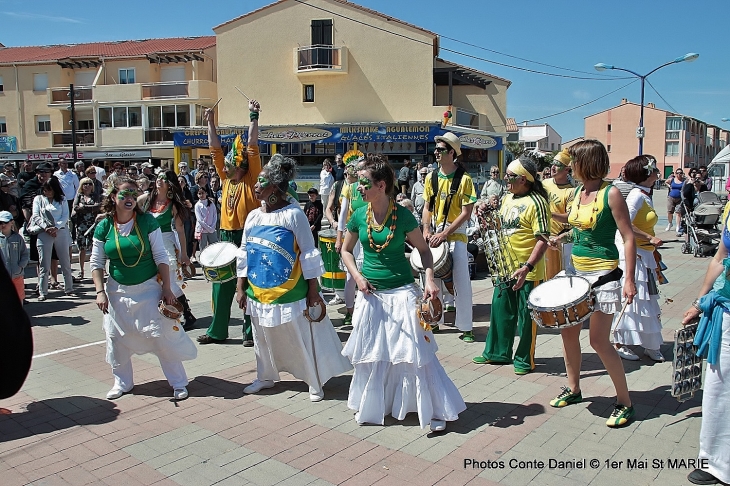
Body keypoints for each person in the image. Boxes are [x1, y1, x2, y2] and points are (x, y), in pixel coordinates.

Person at [341, 154, 465, 431]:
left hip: (402, 293)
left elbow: (424, 251)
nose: (359, 188)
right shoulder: (359, 214)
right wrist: (358, 277)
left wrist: (430, 280)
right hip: (370, 294)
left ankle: (433, 410)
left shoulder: (404, 215)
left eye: (364, 183)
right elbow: (345, 250)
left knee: (415, 354)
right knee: (374, 353)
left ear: (381, 185)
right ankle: (378, 405)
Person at [235, 155, 352, 401]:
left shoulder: (293, 215)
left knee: (299, 337)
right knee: (262, 337)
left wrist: (313, 291)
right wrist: (240, 287)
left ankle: (313, 381)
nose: (256, 186)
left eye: (261, 181)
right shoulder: (253, 216)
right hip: (258, 292)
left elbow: (309, 254)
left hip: (291, 293)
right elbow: (245, 252)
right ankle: (265, 376)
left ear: (276, 187)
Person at [550, 139, 637, 428]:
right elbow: (576, 226)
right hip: (576, 272)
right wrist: (559, 234)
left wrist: (629, 279)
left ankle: (624, 401)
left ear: (585, 163)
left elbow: (628, 237)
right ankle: (574, 389)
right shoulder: (577, 192)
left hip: (604, 275)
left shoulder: (610, 194)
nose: (568, 167)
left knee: (598, 341)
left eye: (573, 161)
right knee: (568, 333)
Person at [91, 178, 197, 401]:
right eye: (124, 194)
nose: (129, 198)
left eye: (132, 194)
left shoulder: (147, 221)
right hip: (117, 291)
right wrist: (100, 291)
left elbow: (161, 256)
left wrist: (167, 288)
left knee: (161, 335)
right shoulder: (104, 226)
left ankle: (178, 383)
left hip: (149, 287)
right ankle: (122, 382)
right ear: (113, 197)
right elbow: (96, 262)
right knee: (116, 337)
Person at [473, 159, 550, 374]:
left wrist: (527, 266)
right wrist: (486, 218)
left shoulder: (538, 202)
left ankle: (524, 359)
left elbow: (543, 238)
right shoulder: (507, 198)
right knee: (500, 312)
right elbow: (501, 226)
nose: (505, 179)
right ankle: (497, 353)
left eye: (510, 176)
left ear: (523, 179)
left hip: (528, 270)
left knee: (527, 318)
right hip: (504, 267)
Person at [198, 100, 261, 346]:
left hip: (248, 236)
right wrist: (210, 122)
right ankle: (217, 331)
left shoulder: (251, 175)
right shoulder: (225, 178)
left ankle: (249, 332)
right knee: (221, 284)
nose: (222, 164)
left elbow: (253, 144)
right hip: (226, 235)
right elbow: (214, 149)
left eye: (228, 161)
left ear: (240, 163)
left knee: (249, 285)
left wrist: (253, 116)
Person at [681, 216, 730, 486]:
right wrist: (700, 302)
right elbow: (720, 258)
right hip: (727, 314)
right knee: (718, 388)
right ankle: (715, 462)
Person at [422, 132, 476, 342]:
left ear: (452, 152)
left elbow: (466, 212)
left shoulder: (465, 179)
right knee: (430, 278)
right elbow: (428, 207)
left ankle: (466, 326)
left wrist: (445, 233)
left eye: (441, 149)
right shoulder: (431, 177)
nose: (436, 153)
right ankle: (434, 319)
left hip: (456, 236)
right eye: (435, 149)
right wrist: (426, 230)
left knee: (461, 280)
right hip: (435, 233)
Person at [611, 155, 664, 362]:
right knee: (632, 297)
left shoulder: (645, 194)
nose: (658, 173)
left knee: (647, 299)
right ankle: (619, 341)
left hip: (646, 254)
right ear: (646, 173)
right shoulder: (635, 196)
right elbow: (625, 225)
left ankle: (650, 343)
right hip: (633, 253)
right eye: (655, 170)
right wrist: (650, 237)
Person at [138, 171, 197, 331]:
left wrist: (184, 254)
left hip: (165, 243)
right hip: (149, 243)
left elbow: (180, 230)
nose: (160, 181)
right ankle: (171, 313)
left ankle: (186, 314)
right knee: (156, 281)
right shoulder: (146, 199)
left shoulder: (173, 205)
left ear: (170, 185)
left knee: (167, 281)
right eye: (159, 178)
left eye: (164, 179)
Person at [32, 176, 75, 300]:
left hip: (60, 231)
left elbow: (65, 216)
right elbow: (36, 215)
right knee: (44, 263)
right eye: (45, 190)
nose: (47, 192)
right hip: (44, 232)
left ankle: (69, 288)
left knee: (65, 261)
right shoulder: (38, 199)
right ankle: (42, 291)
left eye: (50, 190)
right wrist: (46, 227)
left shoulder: (62, 199)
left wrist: (56, 227)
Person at [335, 162, 366, 325]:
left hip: (368, 235)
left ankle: (362, 310)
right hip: (354, 235)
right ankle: (350, 311)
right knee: (351, 275)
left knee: (365, 273)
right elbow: (343, 215)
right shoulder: (350, 188)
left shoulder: (371, 186)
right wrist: (339, 238)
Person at [542, 149, 576, 279]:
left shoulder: (571, 191)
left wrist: (551, 214)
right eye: (553, 163)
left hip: (557, 241)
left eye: (558, 165)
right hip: (540, 236)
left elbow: (570, 218)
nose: (553, 167)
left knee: (556, 278)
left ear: (566, 169)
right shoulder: (544, 183)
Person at [72, 177, 101, 281]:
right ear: (81, 186)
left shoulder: (95, 195)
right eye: (85, 184)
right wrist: (90, 208)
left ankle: (97, 270)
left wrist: (83, 207)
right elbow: (75, 208)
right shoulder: (79, 195)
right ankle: (81, 270)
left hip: (93, 224)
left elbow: (98, 207)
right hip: (81, 225)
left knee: (95, 248)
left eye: (89, 184)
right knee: (82, 249)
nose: (87, 186)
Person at [0, 210, 29, 304]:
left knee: (18, 297)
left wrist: (20, 266)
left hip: (16, 275)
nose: (3, 225)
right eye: (0, 223)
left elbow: (24, 253)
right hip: (3, 276)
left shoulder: (17, 238)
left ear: (12, 222)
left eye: (5, 222)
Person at [194, 185, 218, 255]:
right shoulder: (197, 205)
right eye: (199, 193)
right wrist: (208, 228)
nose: (201, 195)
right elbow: (199, 219)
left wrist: (212, 227)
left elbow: (215, 215)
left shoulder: (211, 204)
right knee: (203, 248)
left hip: (212, 229)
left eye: (203, 193)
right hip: (202, 230)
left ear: (206, 193)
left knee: (214, 246)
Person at [177, 174, 196, 259]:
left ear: (185, 183)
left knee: (187, 237)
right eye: (179, 181)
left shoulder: (187, 192)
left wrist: (188, 203)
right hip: (176, 218)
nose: (180, 183)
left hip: (186, 218)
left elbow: (192, 205)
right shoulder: (173, 193)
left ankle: (187, 256)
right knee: (177, 238)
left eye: (182, 181)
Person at [665, 168, 686, 232]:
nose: (679, 174)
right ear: (675, 174)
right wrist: (669, 186)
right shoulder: (672, 179)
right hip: (671, 197)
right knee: (669, 212)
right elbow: (666, 182)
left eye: (680, 173)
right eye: (677, 173)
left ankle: (678, 226)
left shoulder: (684, 181)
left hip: (680, 198)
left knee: (678, 212)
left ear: (682, 174)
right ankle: (670, 223)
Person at [318, 159, 334, 224]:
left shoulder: (331, 173)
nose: (326, 167)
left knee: (329, 203)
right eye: (325, 166)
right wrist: (328, 173)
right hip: (324, 191)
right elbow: (324, 179)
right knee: (324, 203)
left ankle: (329, 216)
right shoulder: (323, 172)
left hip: (330, 191)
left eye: (328, 166)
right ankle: (324, 216)